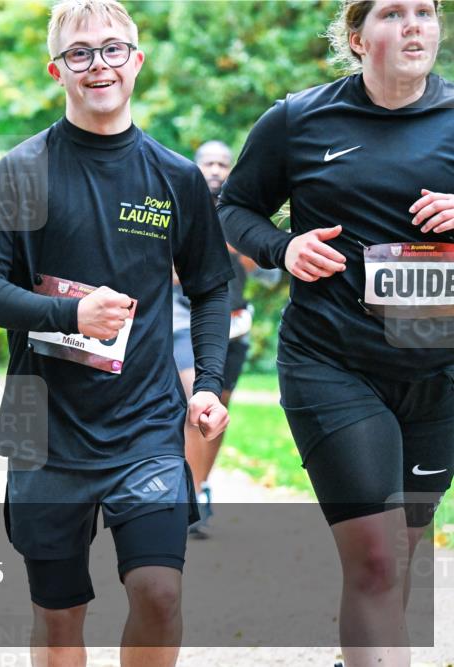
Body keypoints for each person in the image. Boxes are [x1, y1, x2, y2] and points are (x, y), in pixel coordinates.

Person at [0, 1, 234, 664]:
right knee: (59, 616)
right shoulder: (21, 171)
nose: (97, 64)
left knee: (159, 591)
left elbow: (210, 286)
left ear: (136, 61)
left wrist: (212, 383)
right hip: (42, 425)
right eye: (80, 53)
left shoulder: (176, 177)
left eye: (112, 49)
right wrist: (68, 315)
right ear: (57, 69)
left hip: (146, 424)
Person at [217, 1, 453, 664]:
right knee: (377, 558)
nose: (414, 24)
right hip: (333, 361)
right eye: (393, 12)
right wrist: (283, 248)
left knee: (401, 549)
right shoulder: (300, 119)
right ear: (357, 38)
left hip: (440, 371)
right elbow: (235, 207)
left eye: (426, 11)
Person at [175, 140, 274, 536]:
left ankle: (198, 489)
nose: (215, 170)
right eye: (208, 163)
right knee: (194, 402)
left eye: (222, 164)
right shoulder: (181, 206)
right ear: (196, 168)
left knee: (217, 414)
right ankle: (181, 495)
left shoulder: (243, 213)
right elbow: (160, 267)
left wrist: (242, 243)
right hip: (183, 317)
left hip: (235, 322)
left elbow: (268, 271)